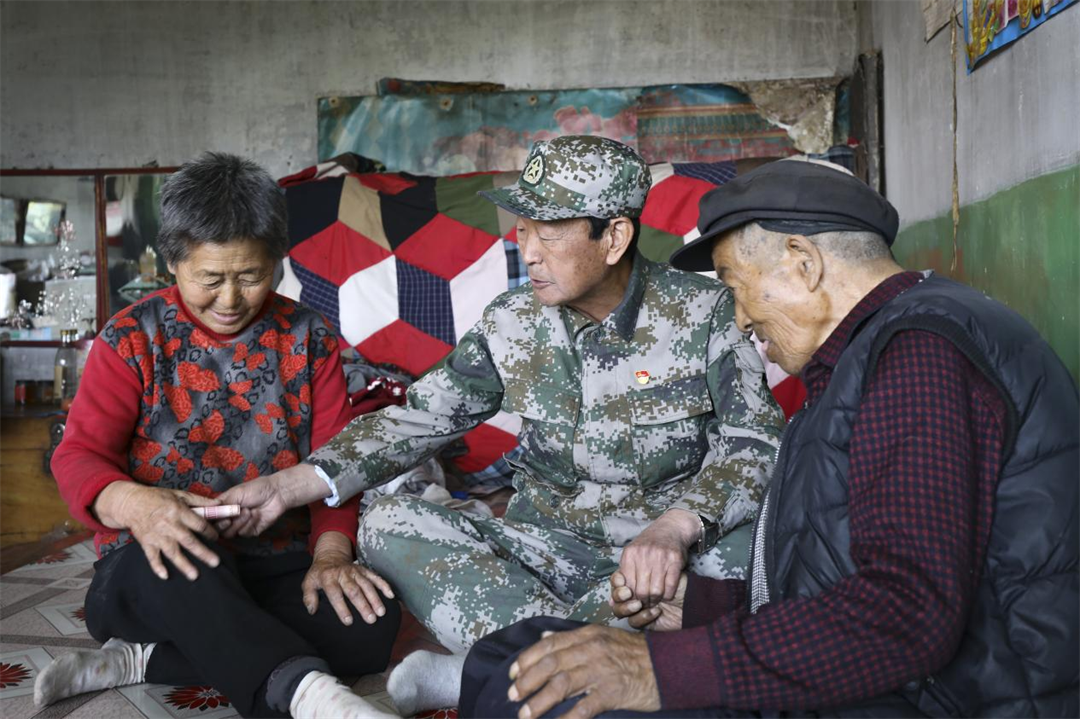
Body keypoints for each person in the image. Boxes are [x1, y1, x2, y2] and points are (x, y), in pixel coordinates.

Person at [459, 157, 1080, 719]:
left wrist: (658, 670)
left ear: (803, 263)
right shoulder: (868, 355)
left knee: (552, 698)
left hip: (934, 699)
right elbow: (846, 576)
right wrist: (702, 609)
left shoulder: (920, 355)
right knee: (516, 655)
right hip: (881, 677)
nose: (739, 318)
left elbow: (905, 615)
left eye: (735, 286)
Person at [219, 135, 784, 714]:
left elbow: (756, 445)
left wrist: (676, 528)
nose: (528, 251)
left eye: (550, 232)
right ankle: (576, 661)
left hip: (658, 558)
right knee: (385, 521)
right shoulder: (510, 322)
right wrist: (287, 486)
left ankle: (485, 670)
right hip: (542, 550)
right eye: (522, 228)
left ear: (614, 237)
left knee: (753, 556)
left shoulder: (706, 312)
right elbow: (420, 418)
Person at [37, 153, 402, 719]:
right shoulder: (131, 338)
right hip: (155, 564)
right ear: (172, 262)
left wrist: (331, 554)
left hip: (273, 560)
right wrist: (138, 506)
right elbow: (77, 456)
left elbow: (337, 462)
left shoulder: (310, 338)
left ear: (277, 259)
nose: (230, 300)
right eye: (210, 279)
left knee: (369, 625)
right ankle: (306, 694)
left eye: (251, 276)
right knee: (180, 569)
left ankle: (144, 660)